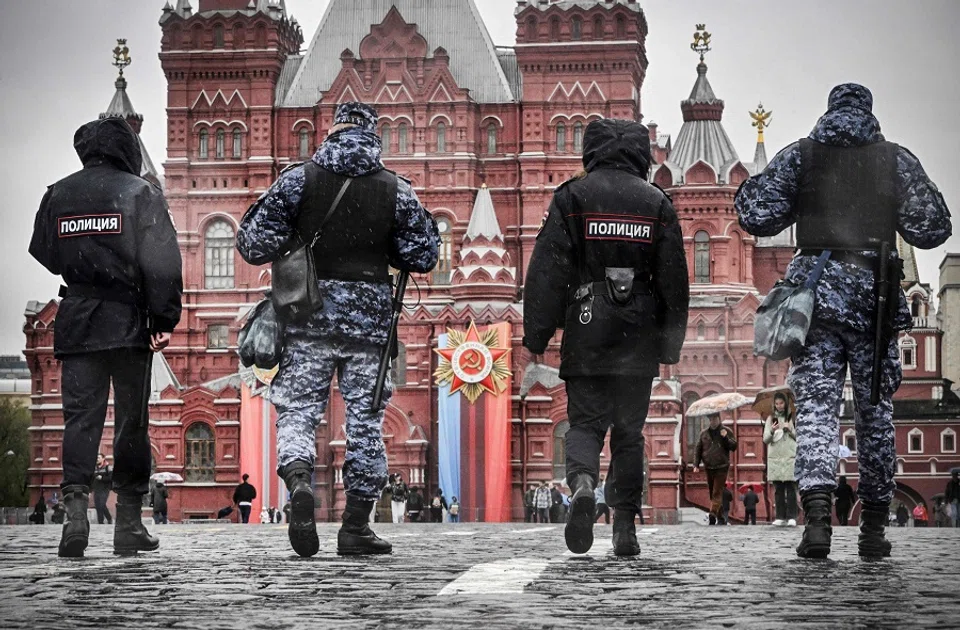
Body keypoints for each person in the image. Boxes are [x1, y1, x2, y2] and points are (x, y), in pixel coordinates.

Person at [736, 83, 952, 558]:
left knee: (814, 409)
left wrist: (800, 199)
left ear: (829, 112)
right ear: (869, 114)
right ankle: (873, 529)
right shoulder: (895, 160)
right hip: (875, 300)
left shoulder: (803, 156)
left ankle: (816, 522)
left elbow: (752, 212)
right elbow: (934, 226)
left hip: (814, 303)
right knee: (875, 412)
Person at [237, 102, 440, 557]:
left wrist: (297, 240)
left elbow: (252, 242)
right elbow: (423, 254)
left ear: (332, 133)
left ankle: (300, 485)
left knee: (298, 411)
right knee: (366, 420)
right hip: (369, 323)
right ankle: (355, 527)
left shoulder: (299, 178)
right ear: (374, 137)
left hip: (306, 313)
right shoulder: (395, 189)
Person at [520, 118, 689, 556]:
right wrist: (669, 342)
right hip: (637, 336)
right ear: (640, 153)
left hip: (587, 328)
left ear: (592, 149)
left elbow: (547, 270)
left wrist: (538, 329)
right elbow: (674, 278)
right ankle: (625, 526)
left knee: (585, 424)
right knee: (630, 434)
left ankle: (580, 486)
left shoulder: (572, 197)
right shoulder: (656, 203)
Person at [29, 117, 183, 558]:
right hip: (128, 320)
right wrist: (162, 318)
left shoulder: (58, 193)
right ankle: (129, 523)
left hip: (78, 319)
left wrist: (84, 267)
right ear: (126, 148)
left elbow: (44, 252)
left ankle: (75, 516)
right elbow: (163, 263)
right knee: (132, 423)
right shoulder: (140, 193)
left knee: (81, 420)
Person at [693, 415, 739, 526]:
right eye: (711, 419)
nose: (713, 421)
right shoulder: (704, 433)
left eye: (715, 419)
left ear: (719, 419)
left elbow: (734, 446)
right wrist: (696, 464)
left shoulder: (726, 431)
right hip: (708, 466)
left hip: (722, 466)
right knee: (712, 493)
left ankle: (712, 513)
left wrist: (725, 438)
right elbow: (698, 449)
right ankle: (721, 518)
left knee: (717, 491)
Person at [763, 393, 798, 527]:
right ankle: (780, 516)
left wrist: (790, 429)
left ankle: (792, 517)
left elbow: (798, 437)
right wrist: (772, 431)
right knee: (778, 488)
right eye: (777, 404)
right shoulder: (771, 419)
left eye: (781, 403)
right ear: (774, 405)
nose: (779, 406)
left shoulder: (792, 418)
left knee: (790, 488)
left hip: (789, 456)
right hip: (776, 458)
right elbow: (765, 439)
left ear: (786, 403)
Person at [91, 453, 113, 525]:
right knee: (97, 505)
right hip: (97, 488)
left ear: (103, 459)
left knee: (102, 504)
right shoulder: (94, 468)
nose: (97, 459)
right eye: (96, 458)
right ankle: (100, 522)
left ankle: (109, 518)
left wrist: (102, 478)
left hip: (105, 488)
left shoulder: (108, 467)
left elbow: (111, 478)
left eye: (99, 458)